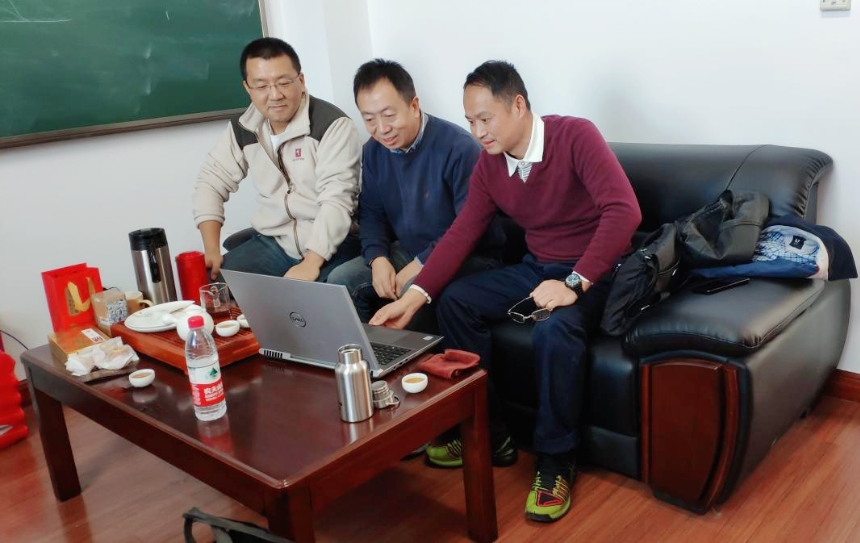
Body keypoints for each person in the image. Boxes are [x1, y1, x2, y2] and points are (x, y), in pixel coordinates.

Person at [370, 61, 642, 522]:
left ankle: (556, 461)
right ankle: (490, 433)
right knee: (457, 301)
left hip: (597, 271)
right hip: (538, 267)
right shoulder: (490, 165)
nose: (478, 132)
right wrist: (411, 299)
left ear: (517, 105)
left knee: (554, 329)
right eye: (470, 121)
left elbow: (624, 211)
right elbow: (462, 233)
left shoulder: (575, 136)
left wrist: (575, 283)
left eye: (485, 118)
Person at [327, 59, 503, 321]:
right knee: (341, 280)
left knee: (412, 292)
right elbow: (372, 214)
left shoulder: (458, 148)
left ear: (414, 105)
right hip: (411, 250)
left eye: (389, 115)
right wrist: (377, 258)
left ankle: (404, 349)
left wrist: (420, 265)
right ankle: (367, 347)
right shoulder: (373, 151)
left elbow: (468, 230)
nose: (382, 129)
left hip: (469, 254)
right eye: (369, 119)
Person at [193, 37, 362, 282]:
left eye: (283, 83)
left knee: (310, 296)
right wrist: (211, 249)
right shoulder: (244, 127)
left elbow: (337, 200)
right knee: (216, 282)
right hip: (276, 243)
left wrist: (311, 263)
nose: (274, 95)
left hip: (333, 244)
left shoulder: (332, 125)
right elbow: (210, 183)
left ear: (301, 81)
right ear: (247, 88)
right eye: (261, 86)